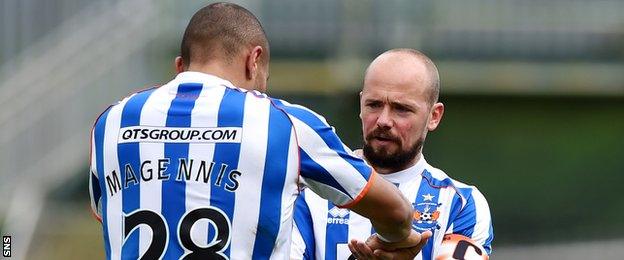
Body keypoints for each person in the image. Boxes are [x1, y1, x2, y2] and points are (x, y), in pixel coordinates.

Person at [89, 3, 426, 259]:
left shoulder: (110, 122)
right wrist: (396, 239)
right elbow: (394, 210)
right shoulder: (284, 123)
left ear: (180, 66)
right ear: (254, 61)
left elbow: (110, 215)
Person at [291, 49, 494, 259]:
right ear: (361, 105)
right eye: (374, 105)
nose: (383, 120)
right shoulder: (308, 193)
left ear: (434, 116)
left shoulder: (461, 204)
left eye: (401, 109)